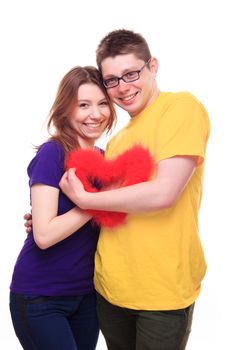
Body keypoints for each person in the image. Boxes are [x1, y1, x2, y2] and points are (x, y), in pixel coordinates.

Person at [58, 29, 210, 350]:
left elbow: (165, 192)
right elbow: (107, 211)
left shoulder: (180, 107)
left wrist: (86, 198)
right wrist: (56, 215)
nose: (122, 87)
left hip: (162, 291)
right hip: (110, 288)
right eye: (111, 80)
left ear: (152, 67)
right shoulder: (116, 141)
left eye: (131, 73)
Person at [10, 65, 116, 350]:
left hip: (87, 296)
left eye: (102, 103)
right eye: (83, 105)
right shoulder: (53, 153)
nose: (95, 114)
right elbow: (44, 236)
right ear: (66, 109)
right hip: (42, 297)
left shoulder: (106, 160)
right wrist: (92, 201)